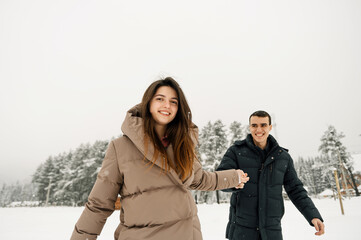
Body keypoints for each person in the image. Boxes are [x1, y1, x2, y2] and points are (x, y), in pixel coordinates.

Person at [70, 77, 249, 240]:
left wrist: (233, 177)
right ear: (148, 103)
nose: (167, 106)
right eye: (160, 99)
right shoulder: (120, 148)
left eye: (173, 102)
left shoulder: (183, 145)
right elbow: (99, 204)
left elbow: (199, 179)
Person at [217, 110, 325, 240]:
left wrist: (313, 215)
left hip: (271, 230)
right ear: (250, 127)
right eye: (254, 125)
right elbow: (219, 179)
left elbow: (296, 189)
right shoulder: (235, 151)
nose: (259, 129)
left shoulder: (282, 157)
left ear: (270, 127)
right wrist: (234, 181)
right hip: (242, 229)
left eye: (263, 125)